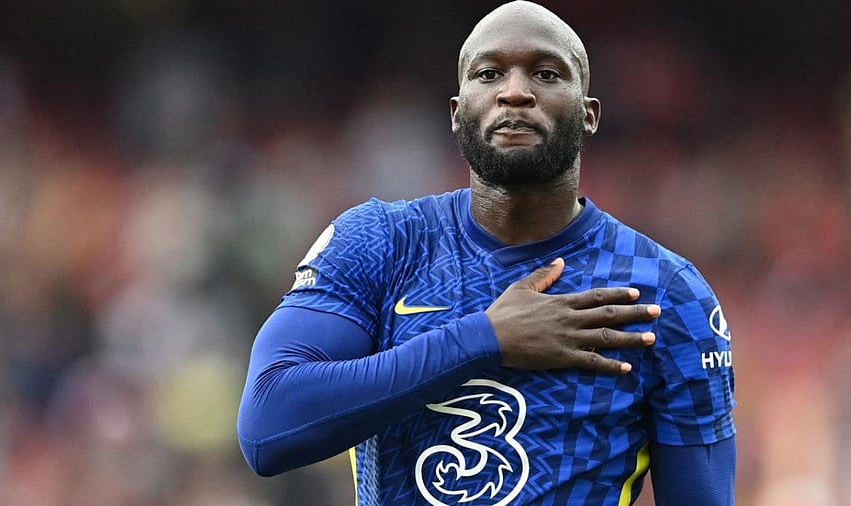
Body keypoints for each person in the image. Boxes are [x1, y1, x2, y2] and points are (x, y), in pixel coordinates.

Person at [237, 1, 736, 505]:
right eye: (489, 73)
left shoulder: (664, 292)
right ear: (457, 114)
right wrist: (485, 339)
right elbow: (268, 426)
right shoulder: (380, 243)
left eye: (545, 73)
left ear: (589, 115)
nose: (515, 92)